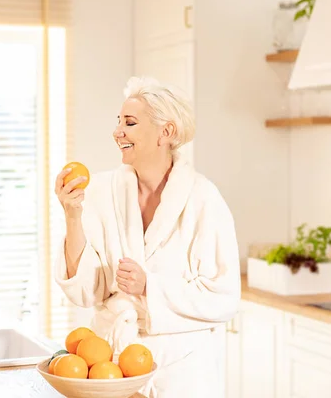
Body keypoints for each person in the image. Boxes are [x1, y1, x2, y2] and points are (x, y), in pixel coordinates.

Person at [54, 76, 241, 398]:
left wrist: (149, 287)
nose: (117, 132)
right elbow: (85, 291)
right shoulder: (100, 191)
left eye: (130, 123)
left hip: (183, 369)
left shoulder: (203, 199)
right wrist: (72, 215)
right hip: (111, 366)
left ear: (165, 132)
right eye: (118, 122)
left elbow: (224, 298)